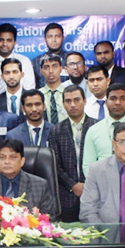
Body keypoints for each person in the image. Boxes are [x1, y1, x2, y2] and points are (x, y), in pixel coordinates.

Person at [49, 85, 98, 222]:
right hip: (66, 196)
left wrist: (87, 184)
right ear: (63, 104)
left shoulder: (97, 127)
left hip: (94, 193)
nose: (73, 105)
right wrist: (72, 185)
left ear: (85, 101)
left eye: (77, 100)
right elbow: (55, 165)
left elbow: (102, 162)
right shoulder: (56, 130)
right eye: (68, 101)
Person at [82, 83, 125, 179]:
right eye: (113, 98)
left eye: (122, 98)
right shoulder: (93, 131)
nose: (118, 102)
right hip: (102, 188)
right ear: (106, 102)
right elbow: (88, 166)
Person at [0, 139, 55, 215]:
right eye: (2, 157)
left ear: (22, 161)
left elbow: (49, 218)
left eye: (13, 157)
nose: (7, 162)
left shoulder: (40, 185)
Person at [0, 23, 35, 93]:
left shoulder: (24, 61)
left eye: (9, 40)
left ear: (15, 42)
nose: (4, 44)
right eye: (1, 40)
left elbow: (29, 89)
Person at [32, 22, 68, 88]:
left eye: (57, 36)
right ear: (45, 39)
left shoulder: (70, 59)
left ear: (63, 38)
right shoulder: (36, 61)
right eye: (50, 36)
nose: (54, 40)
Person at [38, 53, 68, 123]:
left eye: (54, 66)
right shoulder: (37, 95)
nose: (51, 71)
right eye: (46, 67)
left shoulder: (69, 94)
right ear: (41, 71)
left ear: (61, 69)